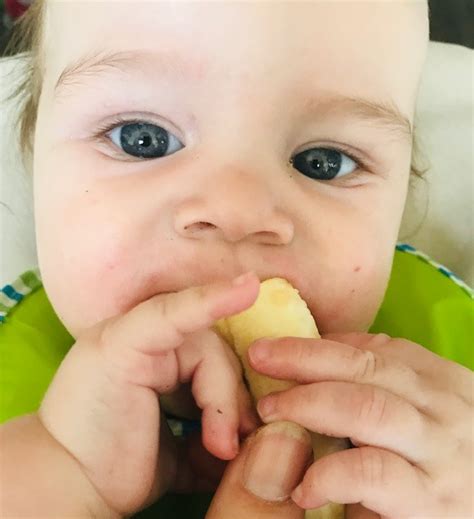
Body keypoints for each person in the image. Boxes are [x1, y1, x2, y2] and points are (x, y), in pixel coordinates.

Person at [0, 1, 472, 518]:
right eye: (143, 140)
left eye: (323, 163)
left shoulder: (453, 369)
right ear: (32, 161)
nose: (237, 211)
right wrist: (58, 472)